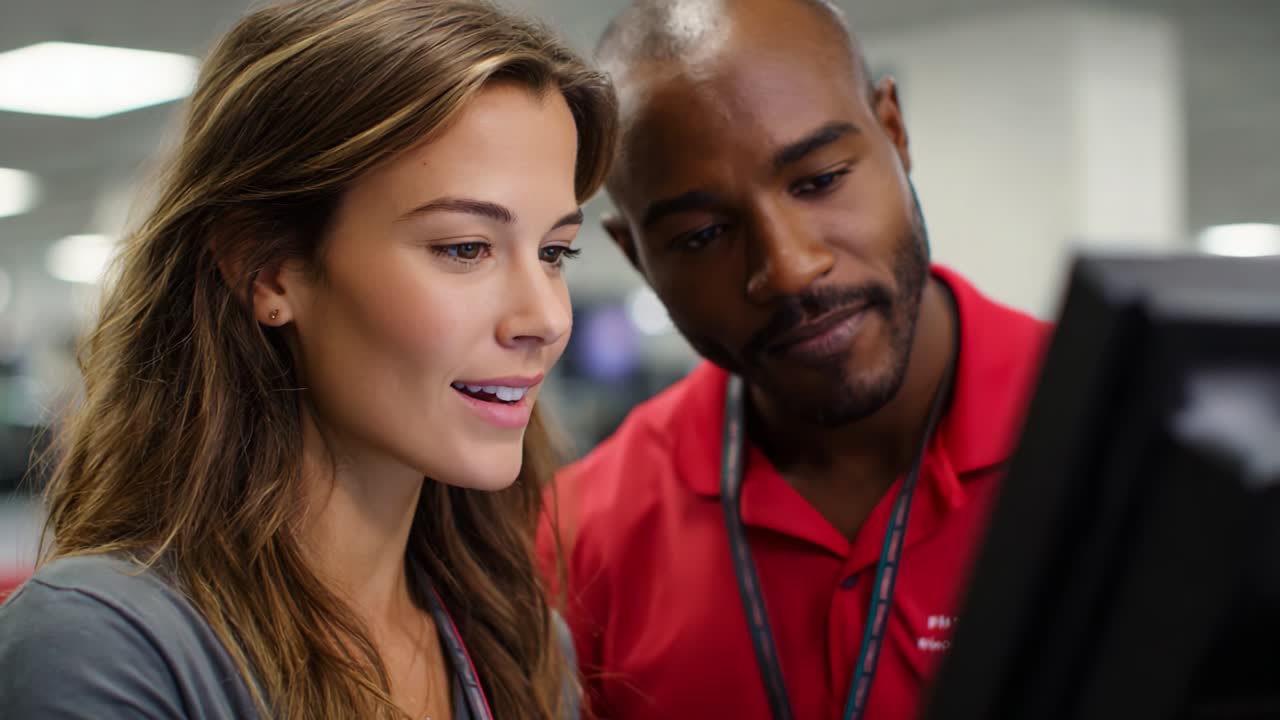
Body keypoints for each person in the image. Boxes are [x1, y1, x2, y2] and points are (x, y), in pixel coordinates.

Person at [0, 1, 615, 718]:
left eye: (554, 253)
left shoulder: (522, 644)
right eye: (464, 248)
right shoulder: (104, 645)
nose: (546, 318)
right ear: (268, 270)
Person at [536, 1, 1052, 718]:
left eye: (819, 180)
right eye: (704, 233)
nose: (788, 267)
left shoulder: (1131, 436)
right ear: (638, 257)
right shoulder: (580, 539)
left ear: (895, 133)